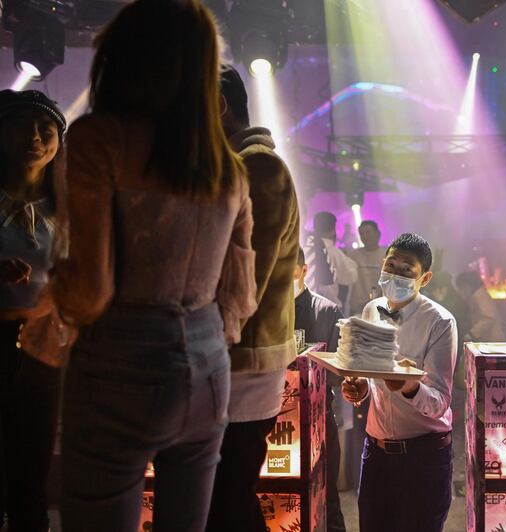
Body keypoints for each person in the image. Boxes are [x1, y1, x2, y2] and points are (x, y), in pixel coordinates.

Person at [44, 2, 257, 530]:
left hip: (120, 358)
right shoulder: (226, 166)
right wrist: (199, 339)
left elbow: (91, 291)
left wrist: (48, 299)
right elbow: (241, 298)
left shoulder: (100, 140)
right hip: (208, 367)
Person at [206, 65, 300, 532]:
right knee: (225, 497)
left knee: (228, 497)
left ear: (217, 106)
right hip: (235, 355)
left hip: (242, 357)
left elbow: (245, 286)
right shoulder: (242, 164)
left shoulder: (257, 166)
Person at [341, 233, 457, 532]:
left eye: (407, 270)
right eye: (391, 265)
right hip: (376, 452)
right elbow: (367, 373)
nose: (396, 274)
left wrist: (409, 386)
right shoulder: (371, 310)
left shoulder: (440, 322)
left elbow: (440, 401)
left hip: (424, 456)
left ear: (425, 278)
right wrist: (360, 388)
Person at [0, 89, 65, 532]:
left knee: (34, 466)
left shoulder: (68, 207)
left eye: (46, 130)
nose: (35, 138)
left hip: (44, 349)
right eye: (23, 127)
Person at [293, 248, 347, 532]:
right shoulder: (261, 311)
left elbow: (339, 373)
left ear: (303, 270)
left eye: (289, 268)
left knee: (327, 497)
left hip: (318, 422)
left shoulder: (326, 311)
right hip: (274, 421)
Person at [303, 211, 358, 308]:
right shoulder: (334, 252)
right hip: (327, 307)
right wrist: (353, 264)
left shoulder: (304, 248)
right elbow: (350, 277)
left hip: (304, 303)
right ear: (333, 229)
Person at [347, 220, 387, 316]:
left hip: (380, 309)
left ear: (378, 234)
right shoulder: (353, 255)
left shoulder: (386, 256)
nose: (365, 236)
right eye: (362, 233)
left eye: (368, 232)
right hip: (357, 309)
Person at [456, 270, 505, 342]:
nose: (461, 291)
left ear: (468, 285)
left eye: (461, 287)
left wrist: (472, 334)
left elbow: (489, 317)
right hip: (488, 340)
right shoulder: (477, 295)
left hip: (492, 341)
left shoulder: (480, 295)